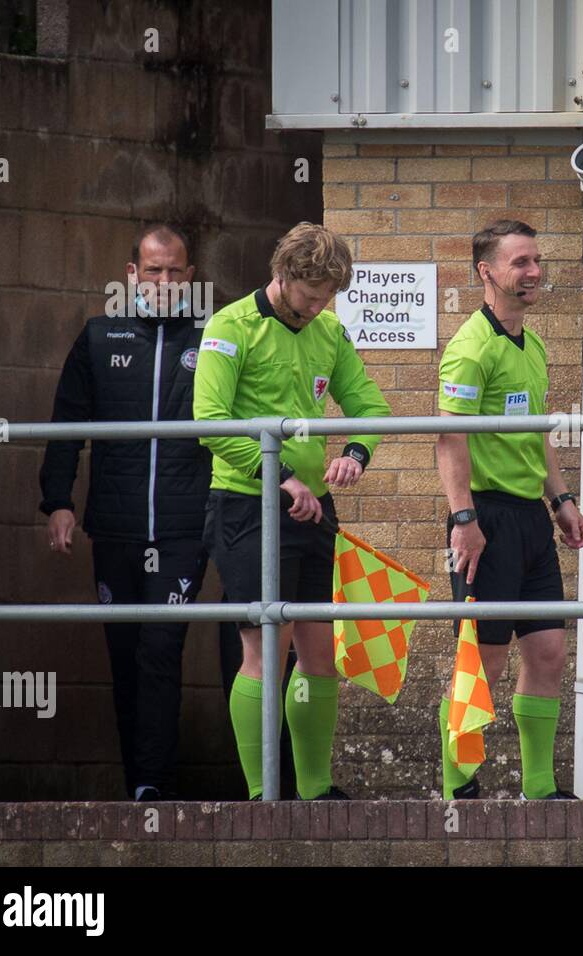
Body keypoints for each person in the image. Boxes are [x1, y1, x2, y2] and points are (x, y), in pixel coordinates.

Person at [193, 222, 391, 800]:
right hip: (248, 504)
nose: (318, 307)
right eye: (310, 296)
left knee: (319, 648)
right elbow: (209, 420)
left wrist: (356, 453)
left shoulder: (327, 328)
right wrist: (278, 476)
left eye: (329, 296)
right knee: (265, 645)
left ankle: (316, 791)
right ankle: (262, 795)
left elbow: (371, 406)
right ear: (282, 276)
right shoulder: (232, 326)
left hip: (312, 509)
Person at [39, 223, 212, 802]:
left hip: (187, 526)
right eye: (152, 270)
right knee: (125, 654)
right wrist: (58, 501)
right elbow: (67, 426)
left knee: (161, 649)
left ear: (189, 278)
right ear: (132, 275)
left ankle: (154, 785)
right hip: (114, 525)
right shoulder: (98, 335)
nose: (163, 281)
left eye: (174, 271)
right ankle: (135, 782)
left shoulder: (213, 338)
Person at [436, 219, 583, 800]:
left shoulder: (535, 343)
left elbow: (540, 434)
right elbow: (449, 439)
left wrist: (562, 501)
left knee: (548, 651)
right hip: (486, 519)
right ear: (487, 273)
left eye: (536, 261)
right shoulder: (470, 347)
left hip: (530, 519)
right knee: (486, 661)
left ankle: (541, 789)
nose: (533, 272)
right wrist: (463, 519)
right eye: (520, 262)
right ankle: (457, 784)